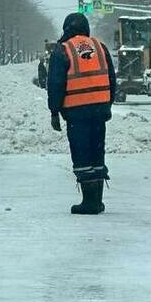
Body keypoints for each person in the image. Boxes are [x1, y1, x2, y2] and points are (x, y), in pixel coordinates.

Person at [48, 13, 116, 215]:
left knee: (82, 154)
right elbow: (111, 79)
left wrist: (54, 111)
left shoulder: (63, 50)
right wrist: (107, 104)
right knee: (97, 153)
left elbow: (56, 84)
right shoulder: (100, 47)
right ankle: (97, 200)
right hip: (99, 111)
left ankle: (89, 202)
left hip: (77, 113)